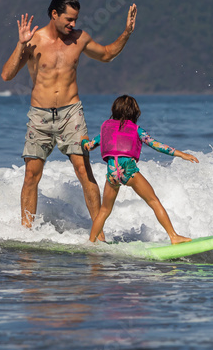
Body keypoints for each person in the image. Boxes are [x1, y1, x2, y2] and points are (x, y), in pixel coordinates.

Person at [1, 0, 137, 229]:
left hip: (71, 114)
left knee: (84, 171)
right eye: (69, 19)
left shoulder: (80, 39)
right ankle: (26, 233)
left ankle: (98, 234)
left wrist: (126, 33)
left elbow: (106, 55)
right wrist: (20, 44)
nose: (73, 24)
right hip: (39, 115)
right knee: (31, 175)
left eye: (75, 19)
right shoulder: (34, 40)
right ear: (54, 14)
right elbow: (7, 75)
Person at [83, 95, 199, 244]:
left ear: (114, 110)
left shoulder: (106, 131)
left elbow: (90, 146)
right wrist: (181, 154)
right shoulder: (137, 130)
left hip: (112, 174)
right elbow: (156, 145)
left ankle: (90, 242)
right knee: (154, 201)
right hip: (129, 172)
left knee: (104, 211)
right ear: (135, 113)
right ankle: (174, 236)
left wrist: (83, 142)